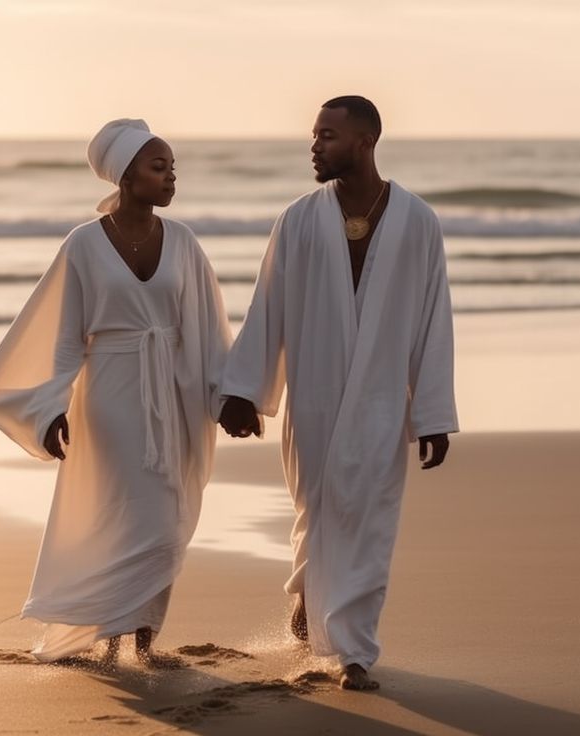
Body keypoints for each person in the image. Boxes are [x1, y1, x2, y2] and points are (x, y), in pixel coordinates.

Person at [218, 96, 458, 690]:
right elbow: (267, 306)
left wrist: (431, 413)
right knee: (318, 511)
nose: (315, 145)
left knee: (369, 521)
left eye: (327, 134)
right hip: (314, 398)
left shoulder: (417, 221)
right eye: (314, 135)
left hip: (381, 402)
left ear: (365, 141)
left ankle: (354, 653)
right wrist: (243, 391)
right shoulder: (297, 219)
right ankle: (309, 592)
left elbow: (434, 320)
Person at [0, 119, 231, 667]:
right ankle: (114, 638)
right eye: (158, 166)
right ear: (125, 174)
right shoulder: (84, 245)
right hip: (110, 396)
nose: (170, 177)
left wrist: (229, 394)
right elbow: (61, 335)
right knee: (121, 515)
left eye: (172, 168)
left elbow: (208, 327)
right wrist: (48, 409)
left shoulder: (183, 241)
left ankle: (144, 638)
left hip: (173, 391)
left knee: (165, 517)